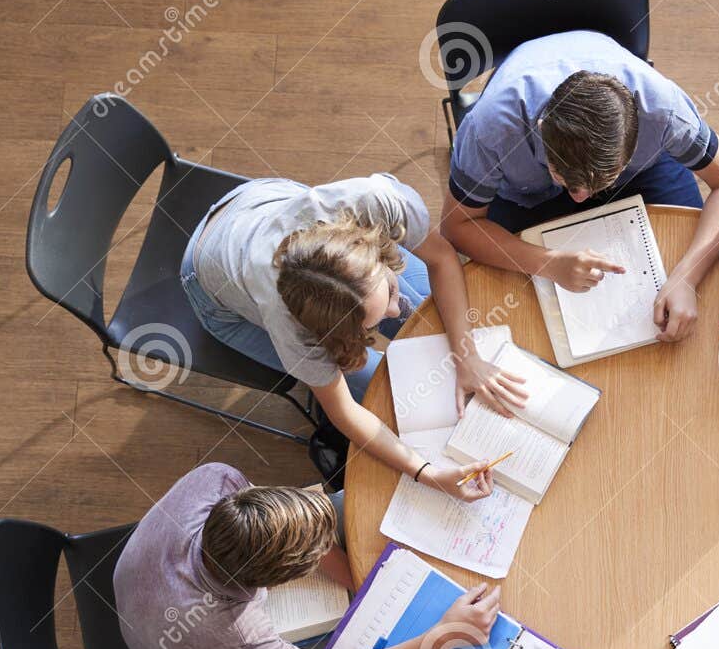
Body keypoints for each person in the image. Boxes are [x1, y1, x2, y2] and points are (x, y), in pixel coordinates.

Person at [181, 171, 527, 497]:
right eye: (369, 326)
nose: (396, 312)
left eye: (389, 290)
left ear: (373, 247)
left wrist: (467, 355)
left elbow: (442, 259)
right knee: (386, 385)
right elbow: (345, 412)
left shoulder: (376, 202)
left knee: (430, 317)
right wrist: (428, 473)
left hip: (256, 202)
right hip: (209, 278)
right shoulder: (292, 326)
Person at [438, 31, 719, 342]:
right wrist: (546, 262)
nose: (580, 199)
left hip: (640, 177)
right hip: (524, 195)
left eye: (597, 184)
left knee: (700, 275)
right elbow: (457, 226)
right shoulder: (489, 130)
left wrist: (686, 278)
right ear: (541, 129)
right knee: (519, 318)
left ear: (636, 140)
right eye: (565, 179)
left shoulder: (662, 111)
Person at [112, 463, 501, 649]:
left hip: (143, 580)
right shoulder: (237, 635)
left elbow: (292, 531)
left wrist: (359, 582)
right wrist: (442, 634)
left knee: (350, 505)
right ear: (278, 580)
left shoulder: (217, 480)